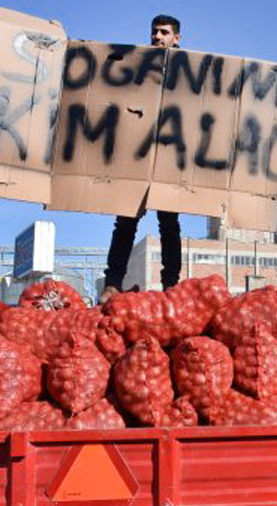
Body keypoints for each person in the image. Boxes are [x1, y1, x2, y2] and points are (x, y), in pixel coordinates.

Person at [100, 14, 183, 303]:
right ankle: (112, 283)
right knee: (125, 220)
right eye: (154, 32)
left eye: (164, 33)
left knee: (169, 223)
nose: (157, 37)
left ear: (177, 39)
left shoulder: (189, 74)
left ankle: (171, 286)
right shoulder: (136, 68)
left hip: (170, 157)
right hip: (137, 155)